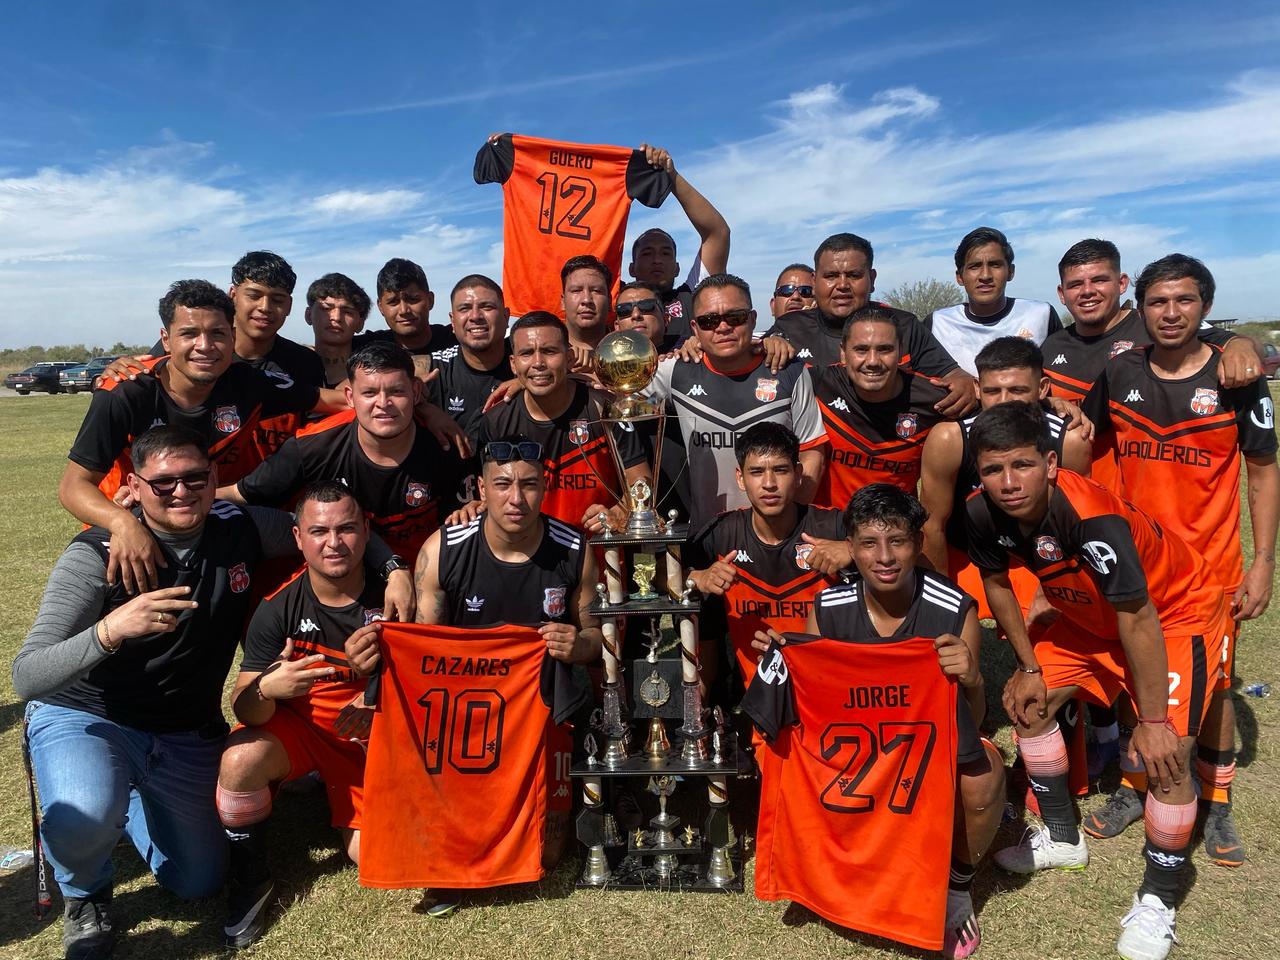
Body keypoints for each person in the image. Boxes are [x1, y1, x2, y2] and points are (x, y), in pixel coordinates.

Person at [13, 426, 411, 960]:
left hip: (182, 730)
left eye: (195, 478)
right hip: (89, 715)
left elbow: (327, 527)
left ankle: (122, 797)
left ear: (214, 476)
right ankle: (85, 892)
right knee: (83, 812)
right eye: (163, 483)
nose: (181, 491)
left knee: (198, 880)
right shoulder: (96, 553)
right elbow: (27, 676)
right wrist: (111, 630)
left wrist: (393, 568)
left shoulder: (236, 525)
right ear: (135, 486)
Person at [964, 402, 1230, 960]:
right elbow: (997, 584)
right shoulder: (981, 512)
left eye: (1022, 465)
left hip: (1174, 615)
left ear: (1051, 463)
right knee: (1030, 706)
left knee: (1166, 756)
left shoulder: (1092, 519)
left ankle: (1159, 899)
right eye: (993, 469)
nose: (1008, 482)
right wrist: (1029, 666)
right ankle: (1063, 838)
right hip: (1089, 617)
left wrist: (1152, 720)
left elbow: (1139, 618)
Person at [746, 484, 1003, 959]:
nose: (884, 557)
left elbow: (974, 721)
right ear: (851, 547)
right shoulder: (828, 608)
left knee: (984, 777)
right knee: (781, 756)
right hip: (857, 754)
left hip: (924, 750)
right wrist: (784, 661)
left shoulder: (954, 610)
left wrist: (972, 680)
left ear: (918, 543)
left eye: (897, 541)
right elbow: (809, 712)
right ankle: (828, 867)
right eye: (869, 543)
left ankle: (956, 887)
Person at [1080, 254, 1278, 864]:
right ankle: (1136, 784)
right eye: (1158, 302)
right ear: (1139, 309)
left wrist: (1263, 563)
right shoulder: (1120, 372)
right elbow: (1083, 440)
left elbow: (1263, 471)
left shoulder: (1236, 377)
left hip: (1211, 572)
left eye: (1184, 300)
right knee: (1135, 676)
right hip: (1137, 567)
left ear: (1205, 307)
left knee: (1215, 688)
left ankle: (1216, 800)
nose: (1171, 313)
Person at [411, 438, 602, 907]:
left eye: (529, 485)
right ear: (481, 489)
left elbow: (599, 640)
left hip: (542, 708)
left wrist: (577, 645)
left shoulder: (575, 550)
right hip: (467, 712)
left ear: (545, 487)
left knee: (547, 854)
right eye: (502, 484)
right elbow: (422, 652)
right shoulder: (443, 550)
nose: (516, 498)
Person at [58, 280, 332, 596]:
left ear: (232, 336)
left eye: (217, 334)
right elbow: (73, 487)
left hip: (204, 526)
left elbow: (339, 401)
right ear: (166, 339)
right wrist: (122, 523)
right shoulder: (127, 392)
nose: (204, 345)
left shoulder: (247, 383)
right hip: (128, 534)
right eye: (189, 334)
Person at [215, 481, 386, 948]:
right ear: (297, 538)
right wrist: (268, 688)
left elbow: (436, 680)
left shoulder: (397, 596)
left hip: (372, 739)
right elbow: (246, 708)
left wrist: (379, 692)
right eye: (319, 531)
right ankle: (250, 877)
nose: (334, 543)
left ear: (366, 530)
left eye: (346, 529)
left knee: (374, 858)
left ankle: (343, 803)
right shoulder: (276, 609)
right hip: (305, 731)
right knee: (239, 758)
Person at [220, 341, 465, 562]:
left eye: (396, 391)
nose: (383, 403)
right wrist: (198, 501)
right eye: (369, 393)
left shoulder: (444, 444)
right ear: (350, 397)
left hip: (422, 578)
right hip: (340, 578)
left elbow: (464, 514)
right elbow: (241, 494)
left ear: (416, 392)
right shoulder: (311, 447)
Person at [642, 273, 827, 530]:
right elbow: (617, 398)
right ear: (694, 328)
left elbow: (812, 454)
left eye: (735, 317)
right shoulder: (675, 370)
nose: (723, 327)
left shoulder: (789, 370)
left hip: (777, 536)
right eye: (709, 321)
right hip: (707, 536)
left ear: (752, 319)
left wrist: (785, 525)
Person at [686, 423, 849, 691]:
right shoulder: (722, 533)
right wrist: (697, 577)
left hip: (825, 686)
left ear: (798, 474)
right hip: (755, 694)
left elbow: (897, 559)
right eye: (757, 472)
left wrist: (853, 551)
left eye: (781, 470)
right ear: (740, 478)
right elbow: (662, 577)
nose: (769, 484)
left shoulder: (832, 526)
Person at [920, 336, 1091, 582]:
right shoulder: (950, 439)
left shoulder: (1070, 440)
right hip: (969, 560)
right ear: (977, 388)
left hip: (1044, 564)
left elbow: (1078, 522)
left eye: (1017, 390)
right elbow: (932, 524)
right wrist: (941, 595)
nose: (1003, 402)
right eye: (992, 391)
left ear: (1042, 388)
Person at [471, 312, 651, 532]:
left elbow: (641, 480)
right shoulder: (496, 421)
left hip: (598, 546)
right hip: (530, 549)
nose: (538, 363)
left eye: (549, 351)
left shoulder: (605, 408)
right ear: (513, 363)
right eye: (527, 353)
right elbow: (489, 494)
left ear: (569, 357)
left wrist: (619, 513)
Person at [766, 232, 976, 416]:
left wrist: (964, 384)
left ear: (872, 279)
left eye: (854, 275)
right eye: (831, 276)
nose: (842, 285)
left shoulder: (904, 326)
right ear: (814, 281)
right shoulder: (788, 327)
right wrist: (766, 345)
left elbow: (954, 375)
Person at [1047, 239, 1261, 406]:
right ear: (1062, 293)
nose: (1087, 291)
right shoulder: (1050, 348)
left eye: (1099, 280)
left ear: (1122, 284)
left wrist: (1241, 346)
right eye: (1075, 284)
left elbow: (1238, 343)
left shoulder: (1158, 327)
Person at [811, 304, 951, 511]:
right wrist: (770, 343)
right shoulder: (815, 384)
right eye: (861, 349)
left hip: (892, 527)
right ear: (843, 353)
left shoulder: (936, 401)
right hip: (824, 527)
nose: (873, 361)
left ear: (901, 351)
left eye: (885, 349)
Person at [925, 227, 1062, 377]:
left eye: (995, 265)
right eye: (974, 266)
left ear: (1010, 272)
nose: (985, 276)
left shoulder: (1041, 315)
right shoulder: (937, 323)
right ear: (960, 277)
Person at [627, 143, 731, 339]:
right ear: (631, 268)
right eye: (647, 253)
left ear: (677, 268)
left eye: (665, 253)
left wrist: (671, 175)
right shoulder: (614, 300)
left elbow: (717, 233)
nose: (657, 260)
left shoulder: (693, 297)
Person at [426, 274, 513, 442]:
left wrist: (526, 383)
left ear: (505, 316)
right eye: (464, 308)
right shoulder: (434, 368)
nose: (475, 316)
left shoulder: (528, 363)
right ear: (452, 321)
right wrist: (421, 407)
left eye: (486, 307)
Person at [351, 258, 458, 380]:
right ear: (381, 307)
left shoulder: (457, 339)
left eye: (413, 299)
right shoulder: (365, 348)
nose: (404, 310)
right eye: (393, 302)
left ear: (430, 300)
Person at [303, 273, 372, 388]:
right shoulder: (288, 368)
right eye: (326, 308)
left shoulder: (376, 372)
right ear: (308, 315)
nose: (336, 317)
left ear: (360, 323)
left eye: (347, 312)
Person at [560, 254, 613, 362]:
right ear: (563, 301)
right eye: (576, 290)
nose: (587, 300)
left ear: (609, 301)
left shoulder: (631, 353)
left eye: (596, 291)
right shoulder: (543, 354)